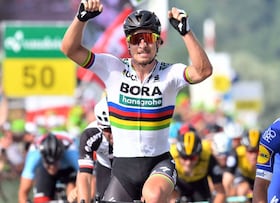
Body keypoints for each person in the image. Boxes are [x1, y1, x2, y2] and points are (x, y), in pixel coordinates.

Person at [61, 0, 213, 202]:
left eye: (149, 38)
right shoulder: (111, 67)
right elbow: (70, 50)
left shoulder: (170, 74)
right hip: (123, 169)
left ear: (159, 42)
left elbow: (204, 71)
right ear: (128, 43)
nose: (143, 44)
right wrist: (81, 19)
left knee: (153, 195)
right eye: (137, 39)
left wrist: (186, 32)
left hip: (159, 164)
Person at [68, 96, 113, 203]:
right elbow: (85, 174)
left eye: (115, 128)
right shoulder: (90, 134)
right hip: (105, 166)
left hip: (129, 165)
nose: (112, 135)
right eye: (107, 130)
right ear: (99, 125)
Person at [169, 124, 226, 203]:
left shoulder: (207, 156)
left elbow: (221, 192)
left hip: (199, 184)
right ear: (178, 155)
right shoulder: (171, 156)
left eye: (193, 158)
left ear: (199, 154)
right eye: (184, 158)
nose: (188, 163)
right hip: (178, 183)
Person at [18, 131, 79, 203]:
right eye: (49, 164)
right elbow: (23, 192)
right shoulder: (34, 156)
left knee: (74, 193)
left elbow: (89, 179)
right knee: (41, 200)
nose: (52, 167)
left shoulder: (72, 154)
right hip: (44, 170)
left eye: (55, 163)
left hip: (69, 168)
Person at [223, 128, 261, 200]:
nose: (254, 155)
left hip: (263, 179)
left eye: (257, 151)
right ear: (245, 149)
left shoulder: (268, 155)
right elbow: (226, 180)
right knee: (242, 189)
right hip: (245, 178)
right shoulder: (237, 153)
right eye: (250, 151)